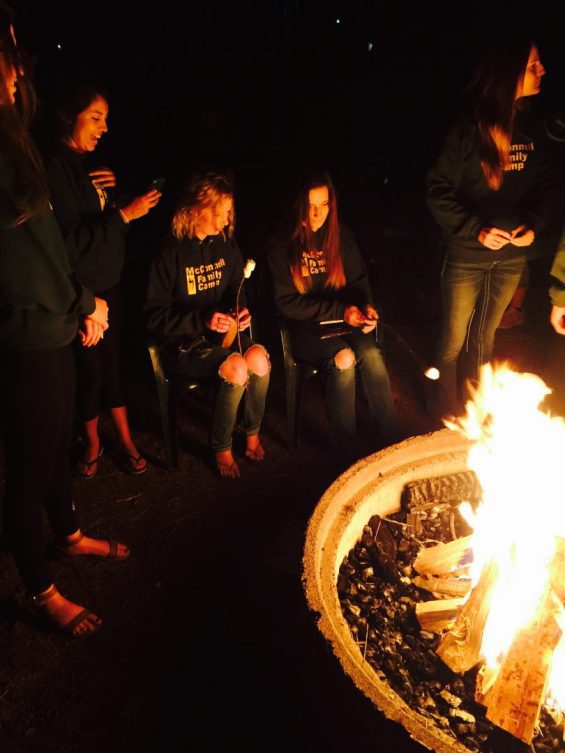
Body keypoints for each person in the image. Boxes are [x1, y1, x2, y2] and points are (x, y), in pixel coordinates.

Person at [0, 5, 129, 637]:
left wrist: (82, 299)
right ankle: (38, 588)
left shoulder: (17, 142)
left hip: (54, 320)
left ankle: (69, 534)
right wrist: (85, 302)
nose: (21, 71)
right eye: (12, 57)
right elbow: (28, 259)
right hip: (23, 331)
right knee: (26, 465)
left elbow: (50, 239)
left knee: (56, 442)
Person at [426, 38, 552, 416]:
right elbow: (436, 190)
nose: (542, 70)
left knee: (484, 339)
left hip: (512, 258)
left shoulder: (529, 129)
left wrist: (533, 224)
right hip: (467, 256)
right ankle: (445, 409)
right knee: (451, 342)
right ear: (509, 72)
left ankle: (476, 413)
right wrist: (475, 229)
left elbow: (546, 186)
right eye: (533, 64)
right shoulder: (467, 132)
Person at [43, 82, 161, 478]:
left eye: (106, 120)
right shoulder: (56, 168)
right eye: (95, 118)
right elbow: (69, 243)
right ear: (67, 117)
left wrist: (118, 198)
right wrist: (123, 214)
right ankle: (92, 441)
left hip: (111, 285)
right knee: (90, 372)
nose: (104, 128)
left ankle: (124, 439)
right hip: (83, 292)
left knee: (114, 366)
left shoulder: (90, 167)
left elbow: (109, 230)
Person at [145, 171, 270, 479]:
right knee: (237, 368)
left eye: (227, 211)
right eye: (217, 212)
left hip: (218, 339)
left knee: (258, 360)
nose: (223, 219)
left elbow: (235, 288)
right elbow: (153, 314)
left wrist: (240, 309)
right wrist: (200, 318)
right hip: (181, 344)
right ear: (193, 209)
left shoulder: (225, 244)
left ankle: (251, 432)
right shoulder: (169, 252)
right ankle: (221, 447)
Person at [267, 171, 397, 454]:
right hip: (304, 326)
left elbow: (358, 280)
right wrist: (341, 309)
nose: (318, 214)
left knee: (372, 355)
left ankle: (390, 438)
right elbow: (286, 302)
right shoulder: (282, 243)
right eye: (311, 206)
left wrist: (366, 307)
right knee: (344, 358)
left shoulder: (341, 235)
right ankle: (344, 445)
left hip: (344, 319)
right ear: (298, 205)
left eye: (324, 205)